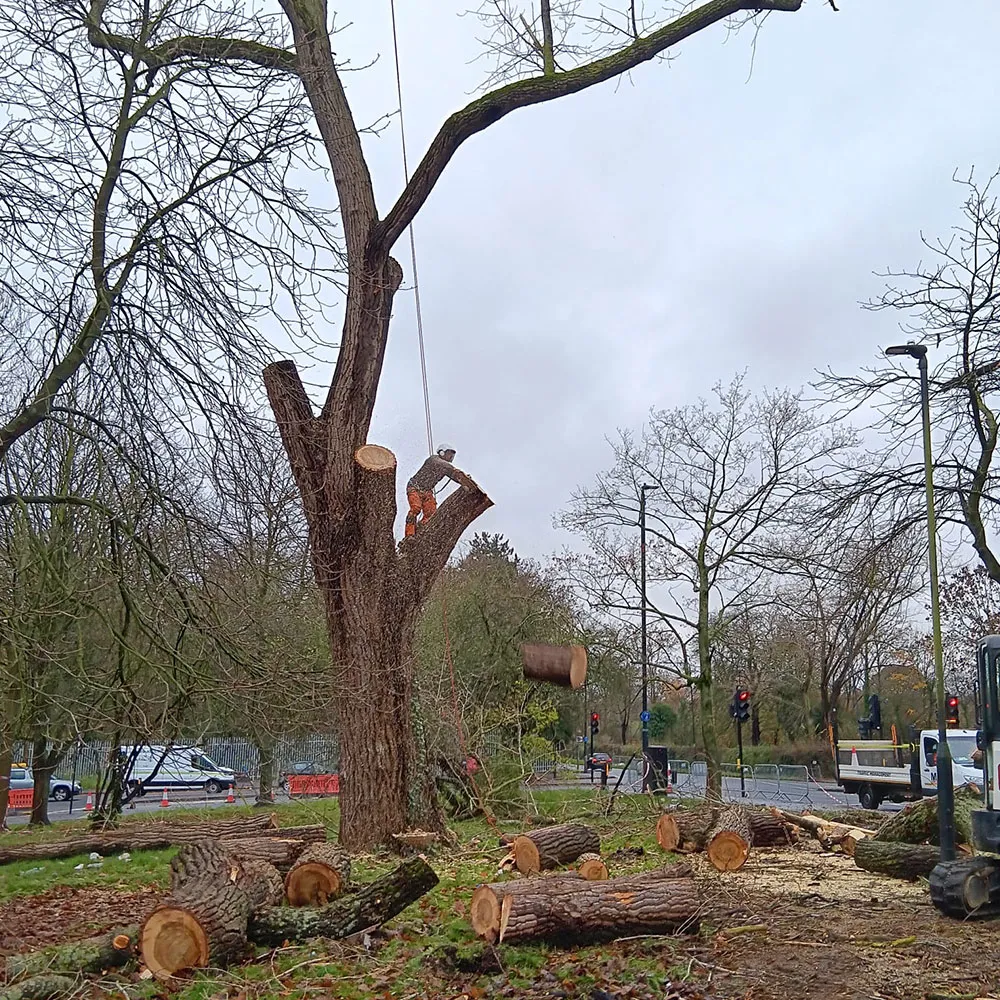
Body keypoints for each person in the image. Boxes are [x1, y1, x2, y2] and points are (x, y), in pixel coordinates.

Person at [404, 444, 466, 537]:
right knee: (415, 508)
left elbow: (456, 477)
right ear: (442, 452)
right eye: (449, 454)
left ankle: (421, 530)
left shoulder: (446, 468)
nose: (451, 457)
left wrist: (464, 480)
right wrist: (455, 470)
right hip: (414, 487)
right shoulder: (433, 459)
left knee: (431, 514)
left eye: (452, 455)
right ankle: (409, 534)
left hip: (427, 491)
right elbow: (442, 464)